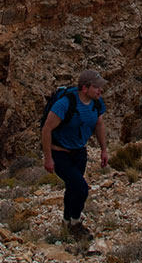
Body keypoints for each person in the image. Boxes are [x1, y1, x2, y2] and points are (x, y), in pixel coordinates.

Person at [41, 69, 109, 239]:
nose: (100, 91)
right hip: (60, 154)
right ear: (84, 88)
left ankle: (66, 223)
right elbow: (46, 129)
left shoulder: (96, 103)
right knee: (81, 188)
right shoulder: (65, 104)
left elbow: (99, 125)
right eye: (96, 87)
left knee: (72, 188)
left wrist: (104, 150)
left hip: (79, 152)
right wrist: (48, 158)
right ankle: (76, 224)